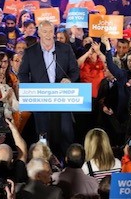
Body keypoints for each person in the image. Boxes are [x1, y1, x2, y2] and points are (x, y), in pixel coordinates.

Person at [18, 20, 80, 158]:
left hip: (62, 98)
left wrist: (69, 79)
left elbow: (75, 71)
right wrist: (31, 90)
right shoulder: (30, 52)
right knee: (43, 135)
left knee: (65, 133)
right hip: (41, 99)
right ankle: (45, 163)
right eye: (44, 31)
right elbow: (22, 74)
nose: (48, 35)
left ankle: (67, 164)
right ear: (39, 33)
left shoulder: (65, 49)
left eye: (50, 31)